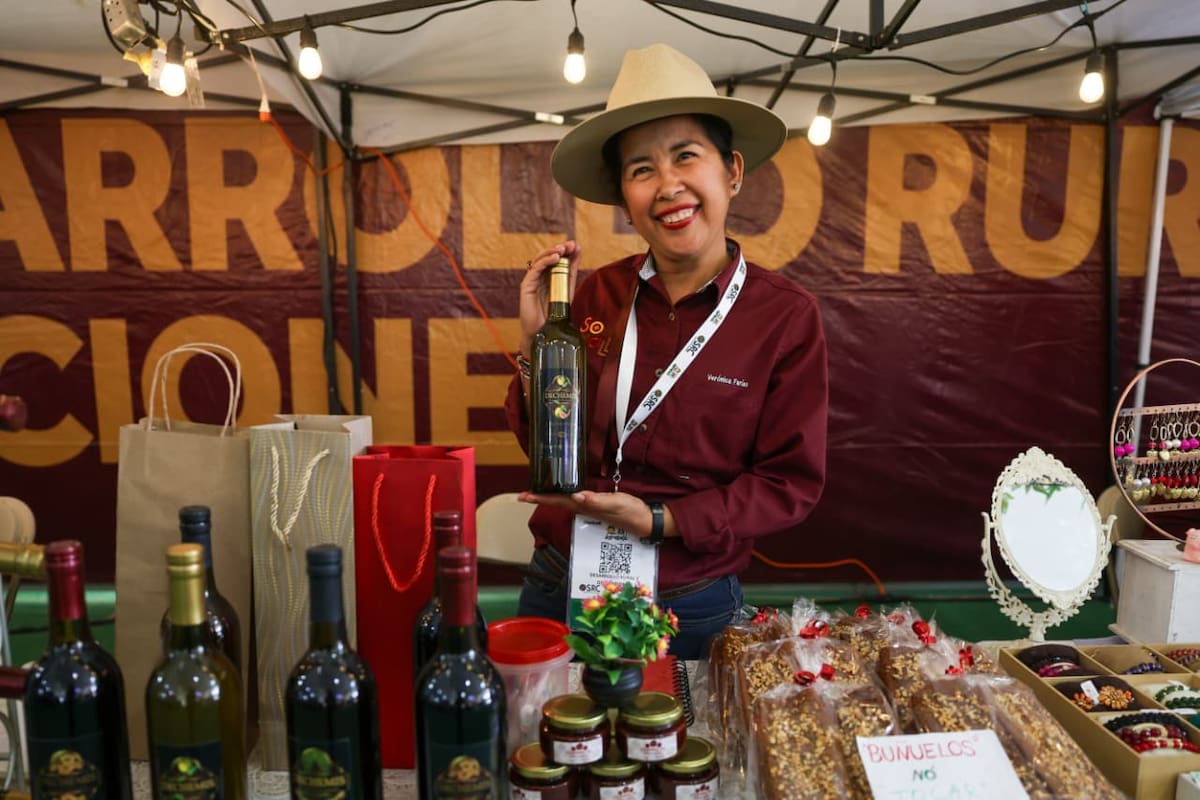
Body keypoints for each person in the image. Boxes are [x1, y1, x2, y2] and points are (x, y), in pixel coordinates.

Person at [504, 43, 828, 659]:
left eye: (686, 156)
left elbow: (789, 484)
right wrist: (532, 346)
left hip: (692, 602)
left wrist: (660, 520)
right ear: (624, 197)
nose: (668, 186)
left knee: (683, 751)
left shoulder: (784, 317)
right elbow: (541, 443)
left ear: (731, 169)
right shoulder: (595, 295)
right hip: (559, 581)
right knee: (551, 749)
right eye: (641, 169)